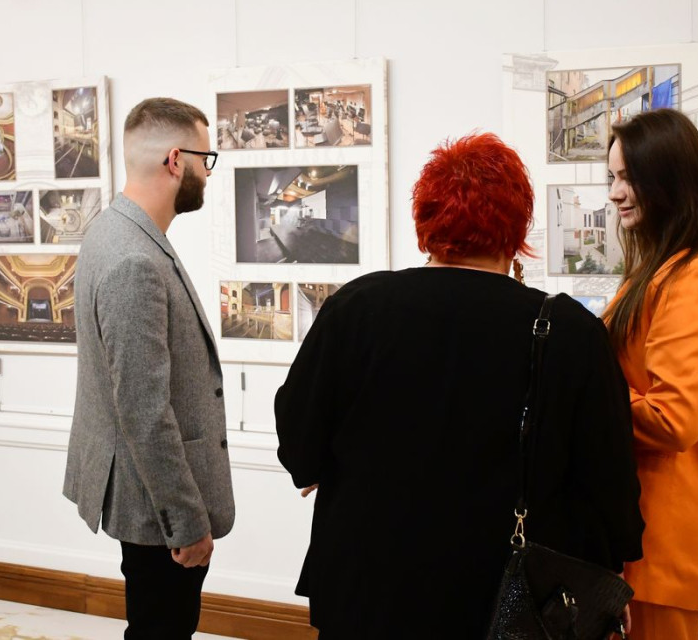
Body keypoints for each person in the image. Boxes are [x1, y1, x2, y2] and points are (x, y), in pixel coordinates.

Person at [275, 132, 645, 638]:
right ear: (517, 229)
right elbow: (608, 482)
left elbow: (299, 443)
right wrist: (611, 573)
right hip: (507, 605)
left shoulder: (357, 308)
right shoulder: (570, 332)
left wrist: (327, 464)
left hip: (366, 592)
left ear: (426, 219)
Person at [63, 97, 234, 639]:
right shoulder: (134, 257)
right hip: (157, 506)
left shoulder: (113, 231)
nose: (209, 173)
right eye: (206, 159)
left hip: (145, 494)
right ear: (175, 160)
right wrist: (185, 522)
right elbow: (142, 408)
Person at [604, 108, 698, 640]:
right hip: (641, 540)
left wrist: (588, 398)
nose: (615, 193)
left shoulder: (691, 277)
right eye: (612, 177)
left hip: (659, 548)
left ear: (668, 180)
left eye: (627, 177)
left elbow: (673, 418)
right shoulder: (659, 272)